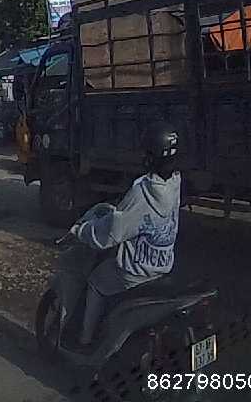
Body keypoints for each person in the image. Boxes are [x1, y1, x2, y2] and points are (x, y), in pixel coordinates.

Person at [74, 121, 182, 346]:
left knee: (96, 281)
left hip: (135, 272)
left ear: (149, 155)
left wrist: (81, 231)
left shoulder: (141, 191)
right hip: (163, 266)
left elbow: (110, 236)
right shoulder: (175, 183)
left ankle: (85, 340)